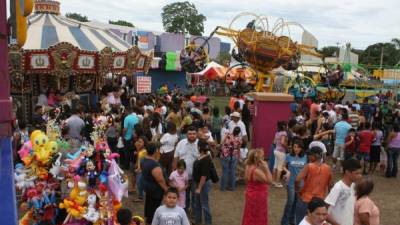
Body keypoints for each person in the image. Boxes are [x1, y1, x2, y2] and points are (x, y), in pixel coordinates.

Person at [295, 147, 333, 225]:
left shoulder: (309, 166)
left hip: (305, 199)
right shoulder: (328, 168)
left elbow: (297, 180)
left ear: (316, 155)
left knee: (301, 222)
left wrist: (297, 190)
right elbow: (330, 185)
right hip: (319, 202)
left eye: (310, 154)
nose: (308, 156)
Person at [324, 159, 362, 225]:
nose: (360, 176)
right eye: (357, 173)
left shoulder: (353, 186)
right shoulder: (338, 187)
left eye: (360, 173)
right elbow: (324, 210)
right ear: (347, 172)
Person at [241, 149, 273, 225]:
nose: (264, 158)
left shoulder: (248, 166)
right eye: (262, 157)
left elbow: (247, 181)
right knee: (258, 217)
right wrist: (266, 168)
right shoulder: (256, 171)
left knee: (249, 215)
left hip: (250, 194)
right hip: (258, 197)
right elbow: (270, 181)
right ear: (257, 159)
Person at [281, 140, 307, 225]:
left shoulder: (305, 157)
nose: (296, 149)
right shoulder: (289, 156)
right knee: (290, 202)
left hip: (301, 184)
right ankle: (285, 222)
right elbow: (283, 166)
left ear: (301, 148)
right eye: (294, 147)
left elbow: (307, 170)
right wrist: (287, 171)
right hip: (291, 183)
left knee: (296, 203)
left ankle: (292, 221)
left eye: (298, 147)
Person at [141, 143, 168, 224]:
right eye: (158, 150)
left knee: (149, 206)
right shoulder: (154, 165)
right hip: (156, 190)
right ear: (155, 151)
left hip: (148, 188)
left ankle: (149, 220)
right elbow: (160, 180)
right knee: (154, 208)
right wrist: (166, 189)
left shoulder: (144, 160)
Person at [173, 126, 199, 212]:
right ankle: (184, 211)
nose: (192, 135)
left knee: (195, 196)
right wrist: (174, 172)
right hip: (182, 177)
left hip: (195, 177)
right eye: (190, 134)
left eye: (194, 134)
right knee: (184, 195)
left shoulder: (200, 144)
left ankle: (195, 212)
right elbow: (176, 157)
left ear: (197, 134)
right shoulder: (181, 143)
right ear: (186, 134)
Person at [192, 140, 213, 225]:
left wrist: (199, 188)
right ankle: (198, 221)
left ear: (199, 147)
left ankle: (208, 222)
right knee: (198, 204)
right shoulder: (202, 156)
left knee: (204, 205)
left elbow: (204, 176)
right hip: (198, 183)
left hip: (202, 184)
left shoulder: (205, 159)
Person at [220, 126, 242, 191]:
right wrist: (239, 156)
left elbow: (222, 143)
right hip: (234, 155)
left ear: (233, 130)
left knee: (225, 171)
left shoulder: (228, 135)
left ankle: (223, 187)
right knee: (233, 172)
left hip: (225, 154)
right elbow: (238, 148)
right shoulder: (239, 139)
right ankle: (232, 187)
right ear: (239, 132)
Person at [273, 121, 288, 188]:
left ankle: (273, 181)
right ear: (284, 126)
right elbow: (282, 142)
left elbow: (274, 142)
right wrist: (287, 147)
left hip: (276, 150)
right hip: (281, 152)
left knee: (275, 166)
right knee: (280, 168)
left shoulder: (277, 133)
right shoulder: (284, 133)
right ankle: (277, 182)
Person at [135, 136, 148, 202]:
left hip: (141, 170)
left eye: (140, 142)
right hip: (139, 169)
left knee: (139, 182)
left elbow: (144, 161)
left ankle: (141, 196)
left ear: (144, 143)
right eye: (138, 141)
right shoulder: (141, 150)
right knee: (138, 182)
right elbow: (139, 159)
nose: (138, 143)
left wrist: (139, 168)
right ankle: (141, 196)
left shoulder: (144, 151)